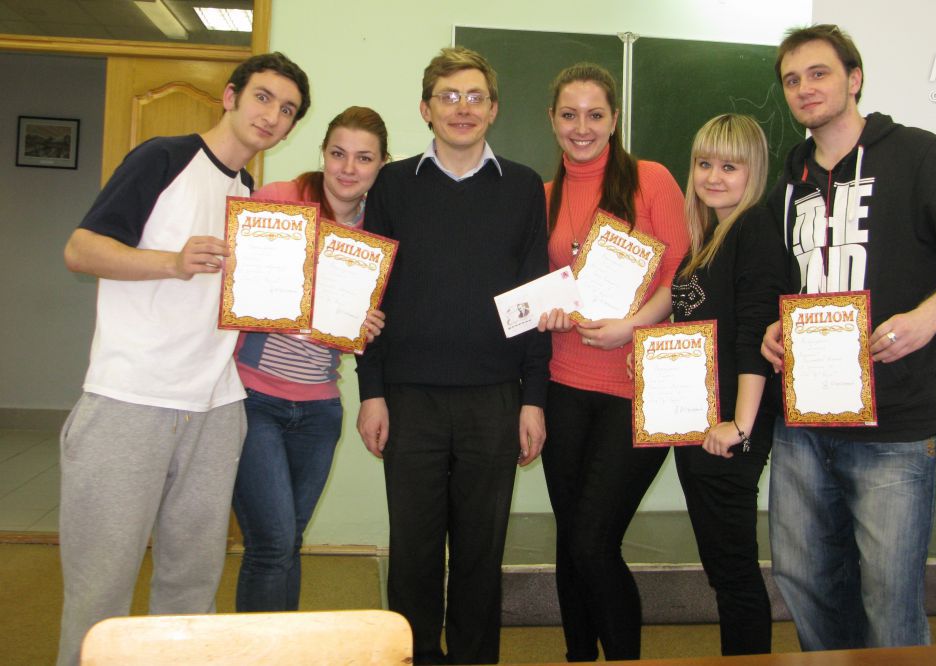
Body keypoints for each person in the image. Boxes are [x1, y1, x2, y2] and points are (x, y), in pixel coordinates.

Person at [761, 24, 936, 651]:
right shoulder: (791, 177)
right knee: (804, 579)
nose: (804, 88)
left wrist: (930, 316)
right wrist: (775, 325)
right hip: (803, 424)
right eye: (791, 80)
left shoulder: (917, 155)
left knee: (890, 597)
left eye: (818, 73)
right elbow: (788, 280)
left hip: (895, 427)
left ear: (854, 79)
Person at [58, 52, 310, 666]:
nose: (272, 116)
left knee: (191, 589)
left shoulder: (248, 197)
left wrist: (316, 312)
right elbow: (80, 250)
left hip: (217, 409)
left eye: (287, 110)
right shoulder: (163, 159)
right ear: (230, 96)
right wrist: (171, 261)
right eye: (263, 97)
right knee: (100, 591)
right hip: (130, 401)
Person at [354, 47, 550, 665]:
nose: (462, 109)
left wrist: (534, 400)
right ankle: (413, 657)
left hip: (495, 399)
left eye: (474, 97)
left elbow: (534, 302)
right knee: (413, 551)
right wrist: (371, 392)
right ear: (425, 109)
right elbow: (370, 298)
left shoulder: (523, 186)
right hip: (409, 398)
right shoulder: (392, 184)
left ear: (493, 109)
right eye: (448, 97)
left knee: (480, 552)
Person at [536, 62, 688, 662]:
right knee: (570, 541)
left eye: (595, 114)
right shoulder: (543, 197)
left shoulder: (652, 180)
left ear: (615, 119)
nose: (582, 127)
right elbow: (539, 286)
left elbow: (680, 276)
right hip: (562, 385)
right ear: (551, 119)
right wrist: (547, 309)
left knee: (594, 541)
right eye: (569, 115)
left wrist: (633, 324)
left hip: (634, 387)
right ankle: (578, 656)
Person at [232, 106, 388, 612]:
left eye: (364, 158)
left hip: (320, 408)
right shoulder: (280, 199)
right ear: (322, 153)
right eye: (338, 153)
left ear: (382, 164)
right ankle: (260, 649)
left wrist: (365, 326)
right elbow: (237, 282)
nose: (348, 168)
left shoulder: (376, 233)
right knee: (272, 542)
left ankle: (283, 644)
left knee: (288, 541)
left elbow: (352, 333)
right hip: (254, 398)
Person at [670, 114, 787, 655]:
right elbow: (702, 330)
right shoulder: (710, 237)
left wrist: (740, 425)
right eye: (704, 164)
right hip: (701, 422)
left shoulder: (752, 227)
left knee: (734, 573)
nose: (713, 177)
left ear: (753, 171)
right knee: (723, 568)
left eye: (729, 167)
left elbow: (754, 332)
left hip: (728, 428)